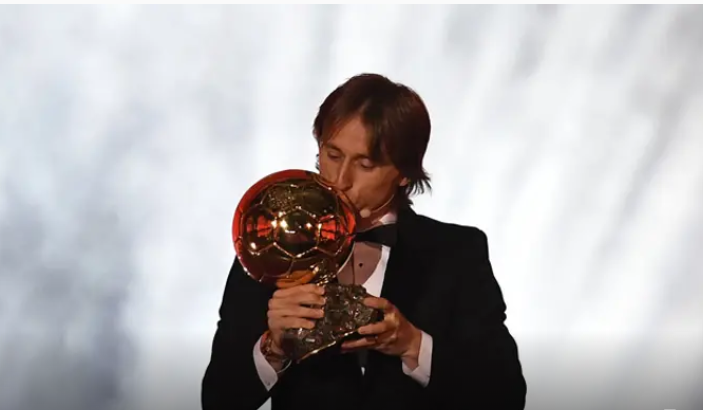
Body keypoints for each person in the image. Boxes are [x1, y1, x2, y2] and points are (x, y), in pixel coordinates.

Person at [201, 73, 527, 410]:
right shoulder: (270, 247)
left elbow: (505, 396)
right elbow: (217, 401)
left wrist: (412, 345)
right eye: (333, 155)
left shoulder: (457, 254)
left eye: (365, 164)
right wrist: (274, 348)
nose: (340, 181)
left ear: (404, 172)